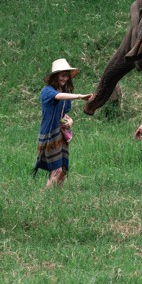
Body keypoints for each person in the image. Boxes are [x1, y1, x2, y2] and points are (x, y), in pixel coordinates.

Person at [36, 58, 91, 188]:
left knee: (63, 171)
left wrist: (70, 121)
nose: (65, 78)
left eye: (67, 76)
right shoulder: (47, 91)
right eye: (62, 75)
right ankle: (46, 198)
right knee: (56, 170)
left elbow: (65, 113)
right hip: (50, 134)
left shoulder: (65, 92)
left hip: (61, 134)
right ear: (55, 76)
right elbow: (58, 97)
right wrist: (80, 96)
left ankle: (57, 198)